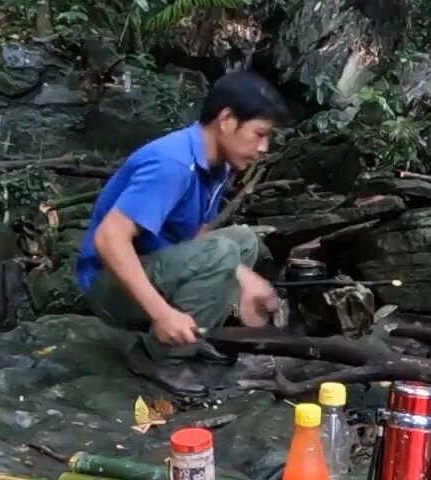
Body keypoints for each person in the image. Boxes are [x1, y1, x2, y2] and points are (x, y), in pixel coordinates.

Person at [75, 70, 290, 396]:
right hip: (109, 287)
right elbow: (109, 239)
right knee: (223, 253)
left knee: (242, 241)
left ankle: (192, 339)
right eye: (259, 134)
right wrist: (163, 315)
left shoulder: (219, 166)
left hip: (155, 265)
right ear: (227, 120)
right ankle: (158, 355)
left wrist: (244, 279)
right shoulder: (173, 164)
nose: (264, 147)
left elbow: (195, 239)